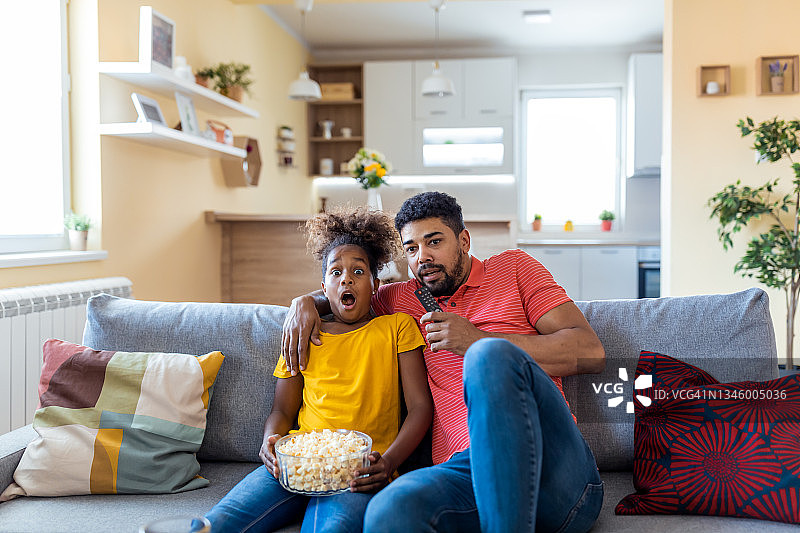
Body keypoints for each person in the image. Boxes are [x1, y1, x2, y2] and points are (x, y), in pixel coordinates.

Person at [282, 192, 606, 533]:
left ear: (464, 241)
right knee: (388, 510)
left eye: (434, 241)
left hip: (552, 469)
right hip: (468, 474)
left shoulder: (514, 269)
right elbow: (349, 292)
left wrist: (477, 339)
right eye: (411, 248)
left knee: (488, 356)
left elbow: (591, 352)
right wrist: (305, 302)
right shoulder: (402, 299)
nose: (422, 256)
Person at [206, 207, 433, 533]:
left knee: (332, 528)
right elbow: (282, 410)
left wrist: (389, 463)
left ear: (375, 285)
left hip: (356, 471)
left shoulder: (396, 328)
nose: (346, 279)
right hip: (294, 463)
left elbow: (420, 408)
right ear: (324, 288)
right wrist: (271, 440)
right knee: (215, 523)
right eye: (336, 272)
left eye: (358, 271)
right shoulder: (303, 333)